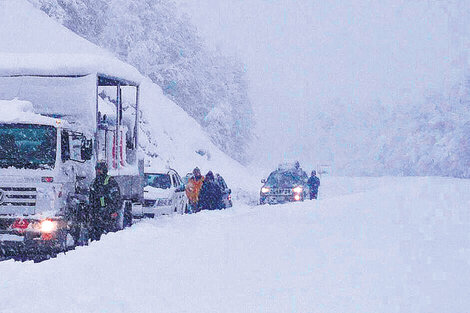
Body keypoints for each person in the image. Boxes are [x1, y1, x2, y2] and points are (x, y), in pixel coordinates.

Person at [88, 160, 122, 241]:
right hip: (96, 213)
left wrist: (113, 211)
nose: (98, 171)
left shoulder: (110, 181)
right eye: (97, 169)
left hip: (107, 213)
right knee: (95, 236)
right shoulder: (94, 182)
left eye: (100, 169)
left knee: (108, 236)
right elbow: (91, 197)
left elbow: (116, 198)